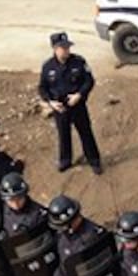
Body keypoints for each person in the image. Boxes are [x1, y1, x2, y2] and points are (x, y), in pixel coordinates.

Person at [38, 32, 103, 175]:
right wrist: (51, 102)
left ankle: (94, 160)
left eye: (67, 47)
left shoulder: (78, 62)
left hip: (77, 104)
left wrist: (79, 95)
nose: (66, 50)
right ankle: (65, 160)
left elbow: (89, 81)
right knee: (63, 134)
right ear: (55, 48)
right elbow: (42, 88)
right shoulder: (48, 67)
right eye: (63, 47)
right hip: (60, 107)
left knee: (86, 132)